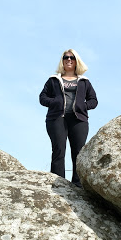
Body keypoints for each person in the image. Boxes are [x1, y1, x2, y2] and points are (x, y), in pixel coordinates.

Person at [39, 49, 98, 187]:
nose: (69, 60)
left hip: (78, 120)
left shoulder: (84, 81)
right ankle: (59, 184)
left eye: (72, 58)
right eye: (66, 57)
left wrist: (82, 106)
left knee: (78, 151)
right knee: (59, 149)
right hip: (57, 118)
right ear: (62, 61)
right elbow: (42, 98)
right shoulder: (53, 80)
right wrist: (55, 102)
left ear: (77, 61)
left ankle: (78, 185)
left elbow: (93, 100)